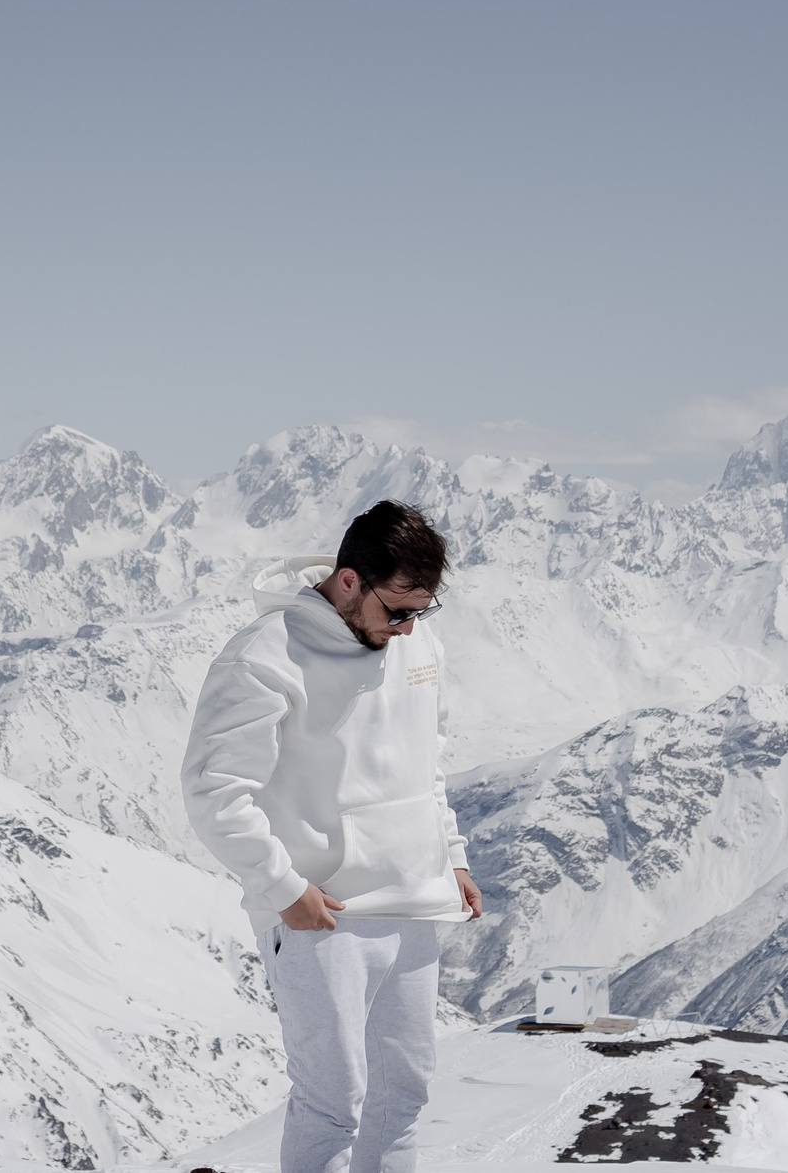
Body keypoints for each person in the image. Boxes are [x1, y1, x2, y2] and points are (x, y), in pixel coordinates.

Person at [182, 500, 485, 1173]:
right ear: (349, 580)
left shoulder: (416, 642)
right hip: (325, 914)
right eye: (398, 609)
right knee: (332, 1104)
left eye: (422, 612)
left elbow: (424, 764)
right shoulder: (265, 654)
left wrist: (452, 857)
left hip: (416, 904)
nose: (409, 627)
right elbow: (213, 787)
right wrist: (281, 886)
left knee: (402, 1096)